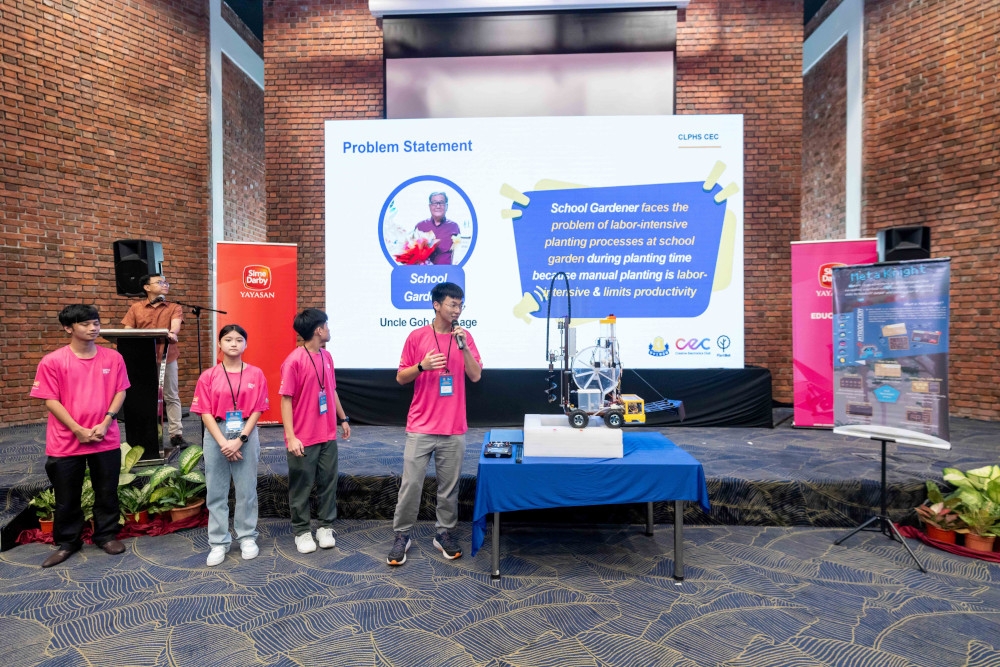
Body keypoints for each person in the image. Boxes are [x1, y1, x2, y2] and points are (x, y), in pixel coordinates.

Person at [387, 282, 482, 566]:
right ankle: (402, 535)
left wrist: (464, 348)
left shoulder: (465, 337)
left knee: (448, 488)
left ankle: (444, 533)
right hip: (421, 426)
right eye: (452, 304)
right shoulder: (417, 337)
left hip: (453, 427)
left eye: (460, 305)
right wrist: (422, 367)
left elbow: (475, 376)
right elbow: (400, 377)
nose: (457, 309)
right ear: (436, 305)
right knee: (411, 485)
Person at [30, 305, 130, 567]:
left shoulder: (113, 358)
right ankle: (68, 542)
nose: (93, 328)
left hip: (104, 438)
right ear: (68, 328)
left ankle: (106, 535)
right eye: (85, 324)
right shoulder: (52, 361)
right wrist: (76, 428)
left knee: (107, 491)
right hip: (66, 441)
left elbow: (121, 391)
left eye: (95, 323)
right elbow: (50, 400)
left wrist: (107, 421)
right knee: (66, 496)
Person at [190, 324, 269, 566]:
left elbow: (258, 409)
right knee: (216, 490)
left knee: (246, 490)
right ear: (220, 344)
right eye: (228, 339)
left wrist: (240, 440)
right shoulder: (209, 376)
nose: (233, 343)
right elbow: (204, 411)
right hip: (217, 434)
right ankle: (218, 542)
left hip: (245, 432)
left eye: (238, 340)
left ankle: (246, 537)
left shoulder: (256, 373)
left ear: (246, 344)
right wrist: (224, 442)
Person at [279, 308, 351, 554]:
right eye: (327, 326)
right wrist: (291, 437)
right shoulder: (294, 361)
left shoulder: (326, 357)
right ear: (319, 330)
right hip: (303, 437)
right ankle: (301, 531)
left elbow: (331, 390)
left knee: (328, 482)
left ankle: (325, 526)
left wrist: (343, 418)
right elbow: (285, 400)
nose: (329, 330)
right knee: (301, 485)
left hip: (327, 433)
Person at [121, 273, 186, 448]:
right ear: (147, 287)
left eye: (166, 281)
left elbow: (175, 326)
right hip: (141, 359)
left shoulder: (174, 307)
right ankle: (146, 433)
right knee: (144, 397)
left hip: (167, 355)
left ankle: (176, 434)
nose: (165, 284)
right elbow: (127, 331)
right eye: (160, 282)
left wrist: (172, 333)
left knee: (171, 395)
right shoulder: (136, 308)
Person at [413, 192, 461, 265]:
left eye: (441, 203)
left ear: (446, 206)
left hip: (446, 274)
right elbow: (412, 254)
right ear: (430, 206)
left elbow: (457, 254)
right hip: (424, 274)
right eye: (434, 203)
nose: (438, 206)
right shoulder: (420, 226)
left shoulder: (454, 227)